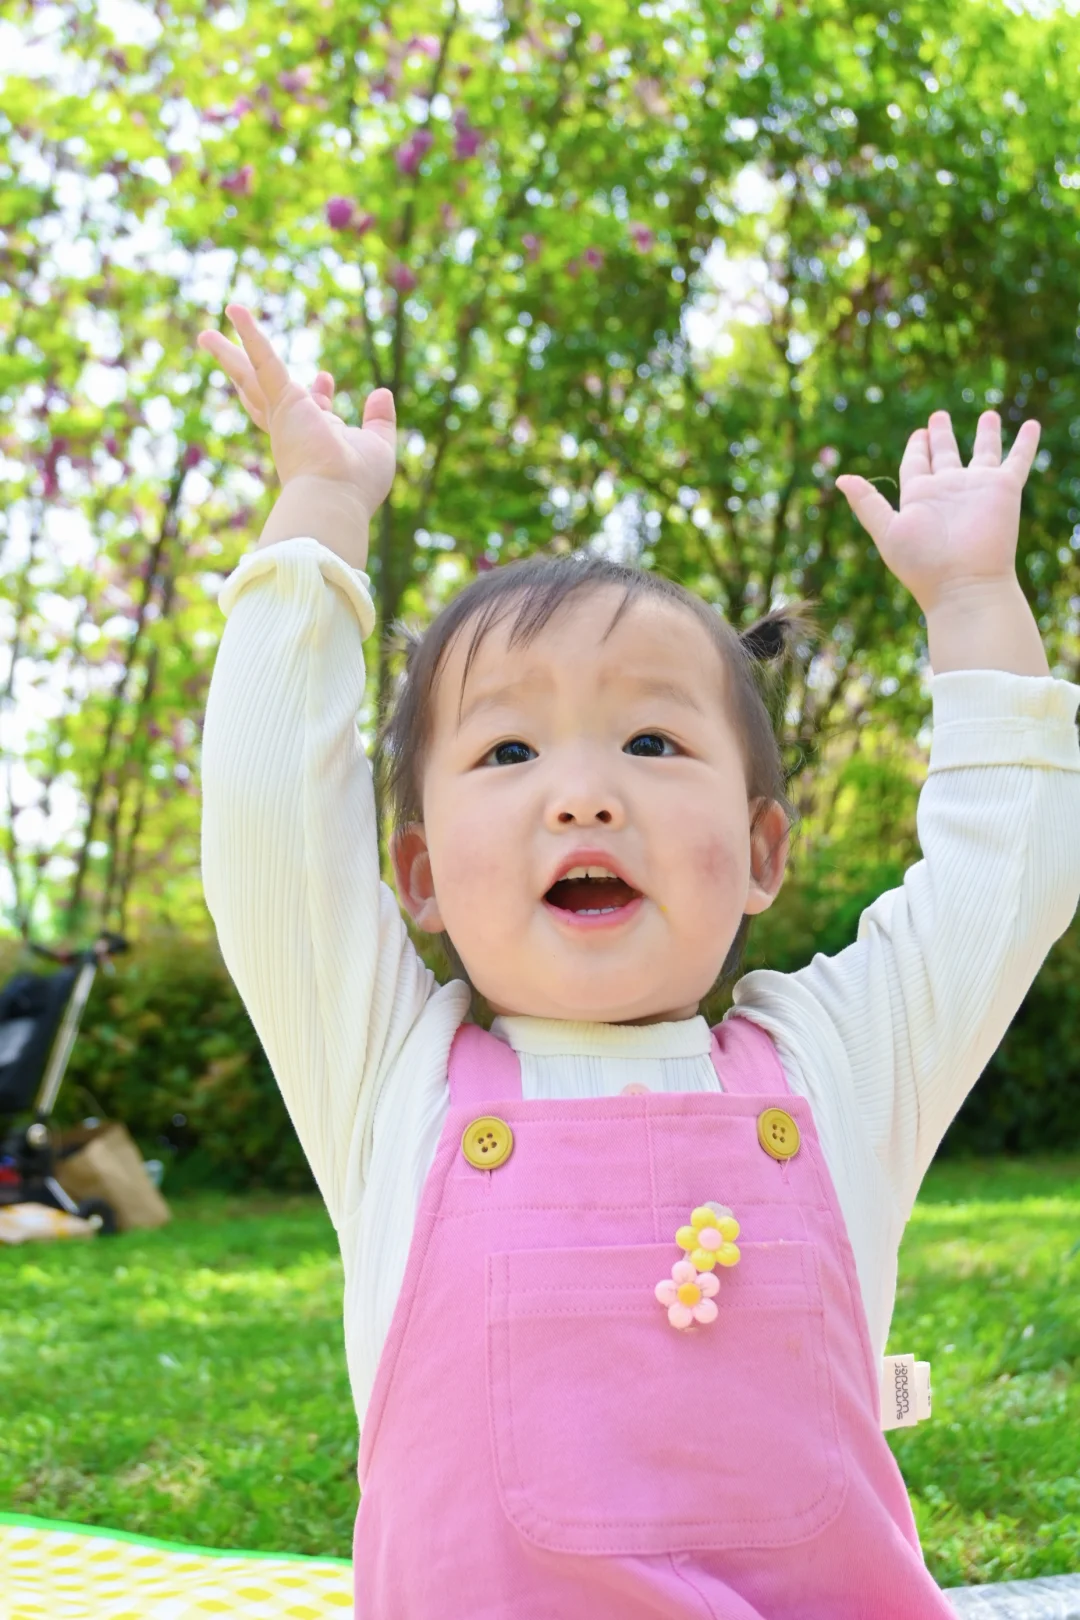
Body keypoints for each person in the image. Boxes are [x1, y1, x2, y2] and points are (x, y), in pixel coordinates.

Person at [198, 303, 1080, 1619]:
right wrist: (319, 508)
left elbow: (1002, 879)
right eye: (508, 752)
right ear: (422, 875)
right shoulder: (393, 1078)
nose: (583, 797)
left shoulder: (835, 1067)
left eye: (654, 745)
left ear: (763, 851)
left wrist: (972, 606)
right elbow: (271, 819)